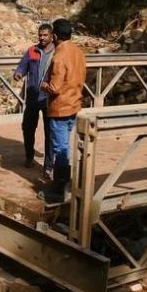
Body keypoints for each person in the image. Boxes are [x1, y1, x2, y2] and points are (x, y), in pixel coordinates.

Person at [38, 18, 86, 203]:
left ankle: (59, 189)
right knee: (65, 146)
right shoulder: (79, 52)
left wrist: (43, 85)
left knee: (60, 149)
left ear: (55, 36)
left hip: (60, 108)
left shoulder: (59, 56)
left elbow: (55, 87)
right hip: (75, 104)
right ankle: (67, 183)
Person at [14, 23, 55, 178]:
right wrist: (19, 73)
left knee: (50, 133)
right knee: (28, 128)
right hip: (32, 97)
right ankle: (29, 156)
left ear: (52, 36)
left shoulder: (57, 52)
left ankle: (48, 165)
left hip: (49, 99)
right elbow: (22, 66)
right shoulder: (32, 50)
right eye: (40, 35)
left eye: (45, 35)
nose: (42, 38)